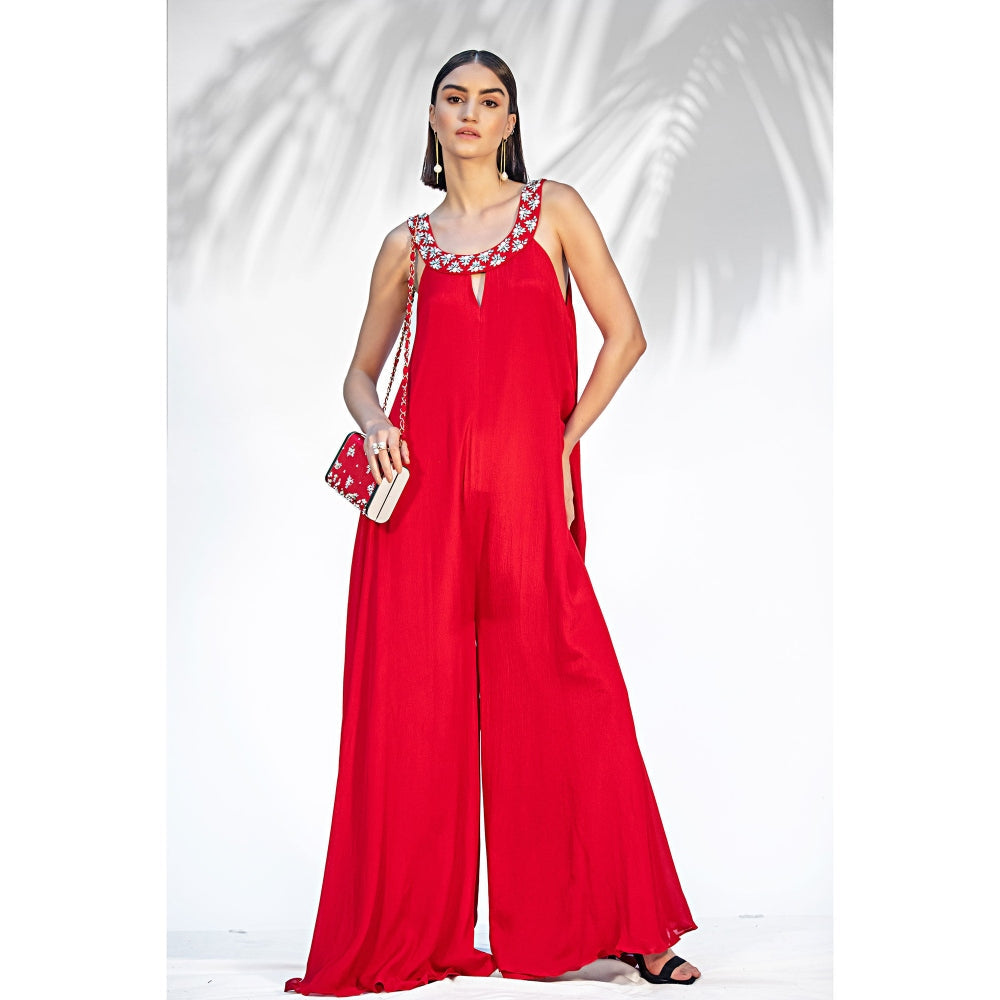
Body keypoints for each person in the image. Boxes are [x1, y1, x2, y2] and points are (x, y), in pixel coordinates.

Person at [285, 49, 702, 996]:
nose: (471, 112)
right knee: (412, 711)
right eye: (455, 98)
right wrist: (377, 423)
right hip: (419, 504)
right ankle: (408, 931)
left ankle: (631, 927)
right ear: (433, 117)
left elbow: (626, 335)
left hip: (524, 497)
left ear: (512, 120)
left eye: (490, 99)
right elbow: (359, 374)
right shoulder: (406, 245)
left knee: (573, 693)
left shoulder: (555, 211)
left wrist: (564, 442)